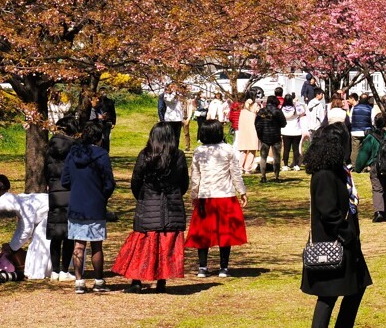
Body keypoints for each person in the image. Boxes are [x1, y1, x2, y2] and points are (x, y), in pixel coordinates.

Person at [302, 122, 372, 328]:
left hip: (347, 241)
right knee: (328, 296)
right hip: (333, 242)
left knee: (358, 286)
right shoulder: (324, 174)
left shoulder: (338, 169)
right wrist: (346, 233)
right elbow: (328, 211)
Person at [113, 122, 189, 293]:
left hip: (148, 205)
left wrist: (142, 196)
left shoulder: (145, 155)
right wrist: (175, 195)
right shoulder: (179, 156)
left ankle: (136, 280)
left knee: (143, 245)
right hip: (172, 206)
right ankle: (162, 281)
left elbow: (136, 181)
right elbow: (184, 183)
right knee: (166, 245)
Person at [185, 120, 248, 277]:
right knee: (225, 233)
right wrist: (242, 191)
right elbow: (235, 173)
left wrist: (194, 194)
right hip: (225, 195)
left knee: (203, 233)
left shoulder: (199, 151)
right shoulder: (228, 149)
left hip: (206, 195)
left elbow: (195, 176)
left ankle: (202, 267)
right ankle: (223, 267)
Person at [61, 122, 116, 294]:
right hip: (95, 204)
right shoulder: (102, 155)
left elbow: (65, 180)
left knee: (79, 244)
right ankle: (99, 281)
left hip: (77, 203)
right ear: (100, 138)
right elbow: (109, 183)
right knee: (96, 245)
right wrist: (102, 196)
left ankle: (79, 282)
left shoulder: (73, 153)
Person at [0, 190, 51, 280]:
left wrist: (12, 247)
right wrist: (12, 245)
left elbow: (26, 230)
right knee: (37, 242)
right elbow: (21, 227)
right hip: (47, 213)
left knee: (40, 242)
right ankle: (34, 271)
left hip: (52, 213)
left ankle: (39, 272)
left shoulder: (25, 207)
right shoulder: (20, 202)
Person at [354, 115, 386, 222]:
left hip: (376, 166)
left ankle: (379, 212)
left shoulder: (371, 137)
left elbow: (364, 153)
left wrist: (358, 167)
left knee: (378, 189)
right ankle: (384, 212)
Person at [45, 116, 78, 281]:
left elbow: (45, 168)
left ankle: (54, 271)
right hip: (70, 190)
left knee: (56, 231)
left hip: (54, 191)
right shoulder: (74, 146)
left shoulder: (50, 145)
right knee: (68, 233)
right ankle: (65, 270)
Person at [255, 96, 287, 183]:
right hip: (276, 136)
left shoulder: (261, 111)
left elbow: (257, 124)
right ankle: (276, 176)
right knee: (276, 157)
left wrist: (260, 135)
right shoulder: (277, 111)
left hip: (264, 137)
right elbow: (284, 123)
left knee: (263, 157)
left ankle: (263, 176)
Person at [281, 92, 307, 171]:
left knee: (286, 149)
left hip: (286, 131)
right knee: (296, 149)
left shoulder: (282, 109)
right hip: (296, 131)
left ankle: (285, 165)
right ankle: (296, 165)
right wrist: (297, 102)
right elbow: (303, 111)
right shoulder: (295, 108)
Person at [235, 95, 261, 174]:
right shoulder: (255, 105)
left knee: (243, 150)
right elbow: (259, 113)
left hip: (243, 129)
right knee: (252, 150)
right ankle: (247, 168)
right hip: (253, 129)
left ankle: (240, 167)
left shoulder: (241, 106)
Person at [349, 95, 376, 165]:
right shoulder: (370, 108)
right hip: (366, 131)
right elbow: (373, 121)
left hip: (355, 131)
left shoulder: (354, 108)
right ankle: (364, 165)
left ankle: (354, 165)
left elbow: (350, 119)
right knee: (365, 149)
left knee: (355, 149)